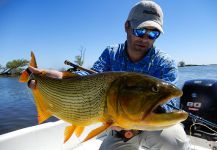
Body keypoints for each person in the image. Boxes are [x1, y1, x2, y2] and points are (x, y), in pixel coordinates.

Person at [28, 1, 189, 149]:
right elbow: (90, 78)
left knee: (177, 142)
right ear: (127, 26)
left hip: (153, 125)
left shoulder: (165, 63)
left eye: (153, 33)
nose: (145, 38)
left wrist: (133, 124)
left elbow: (170, 104)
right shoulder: (111, 53)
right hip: (117, 127)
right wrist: (60, 77)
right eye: (140, 30)